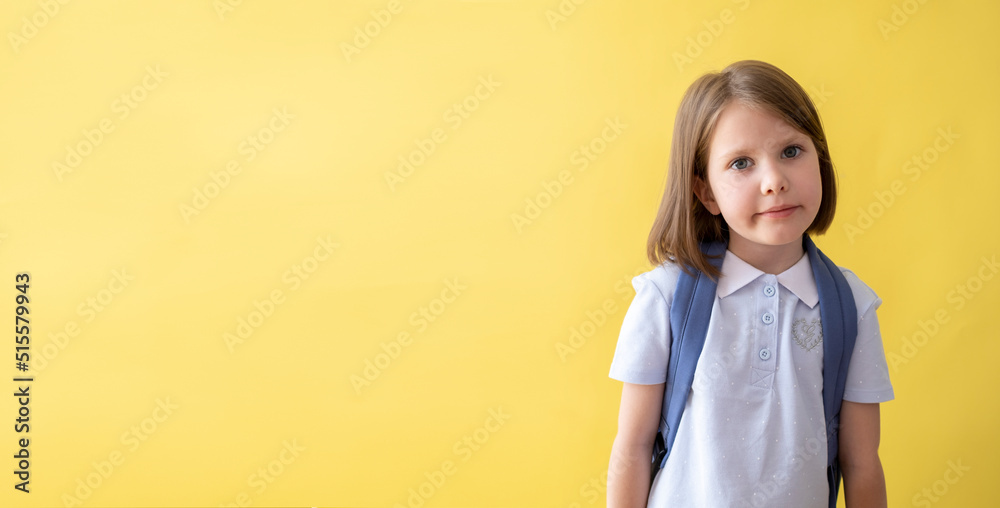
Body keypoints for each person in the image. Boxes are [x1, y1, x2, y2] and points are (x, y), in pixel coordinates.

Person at [606, 60, 894, 508]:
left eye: (792, 151)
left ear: (821, 158)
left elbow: (862, 464)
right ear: (706, 193)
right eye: (742, 163)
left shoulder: (851, 307)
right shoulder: (663, 299)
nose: (774, 181)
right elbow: (632, 447)